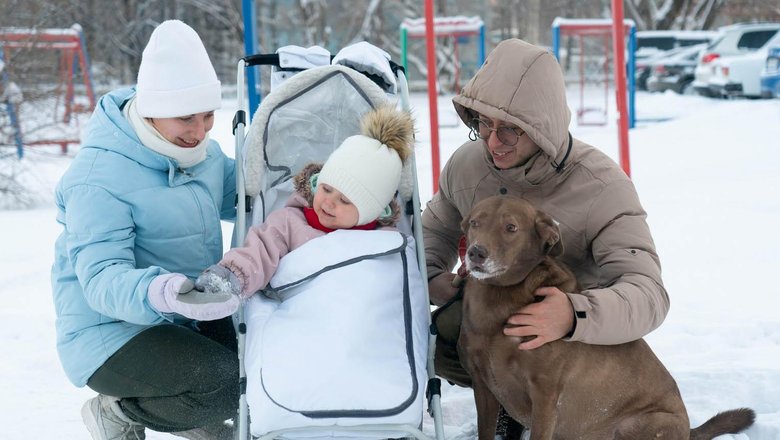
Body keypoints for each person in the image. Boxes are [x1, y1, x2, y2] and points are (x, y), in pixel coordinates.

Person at [423, 38, 669, 425]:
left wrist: (574, 315)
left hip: (569, 343)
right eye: (483, 123)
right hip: (493, 310)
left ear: (541, 128)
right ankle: (511, 404)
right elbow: (433, 231)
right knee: (440, 337)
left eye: (509, 131)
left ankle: (571, 413)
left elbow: (648, 294)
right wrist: (434, 278)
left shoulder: (601, 187)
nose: (491, 142)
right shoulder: (468, 165)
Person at [51, 20, 239, 440]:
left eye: (208, 116)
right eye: (185, 118)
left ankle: (194, 411)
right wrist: (164, 292)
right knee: (222, 383)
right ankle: (117, 412)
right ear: (151, 109)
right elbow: (100, 281)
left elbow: (243, 196)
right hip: (110, 332)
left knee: (258, 358)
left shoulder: (202, 155)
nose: (199, 131)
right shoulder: (97, 178)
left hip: (183, 310)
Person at [196, 104, 414, 298]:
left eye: (345, 200)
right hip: (300, 312)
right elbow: (259, 252)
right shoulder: (290, 222)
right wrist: (232, 276)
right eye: (326, 189)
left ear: (372, 212)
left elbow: (393, 289)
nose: (329, 203)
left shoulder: (386, 243)